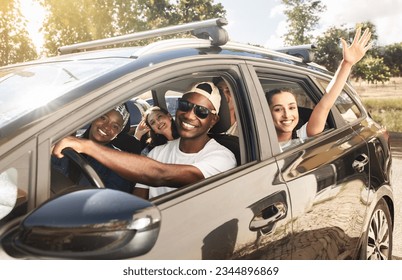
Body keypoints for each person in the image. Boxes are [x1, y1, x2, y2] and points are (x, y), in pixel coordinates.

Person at [52, 82, 237, 199]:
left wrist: (88, 147)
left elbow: (161, 175)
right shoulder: (157, 152)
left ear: (213, 120)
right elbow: (140, 197)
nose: (189, 115)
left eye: (201, 111)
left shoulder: (222, 156)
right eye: (185, 106)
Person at [266, 27, 372, 148]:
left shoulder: (302, 136)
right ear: (267, 113)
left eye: (291, 107)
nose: (287, 114)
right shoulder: (257, 143)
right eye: (278, 109)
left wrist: (346, 64)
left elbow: (325, 105)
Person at [52, 104, 136, 193]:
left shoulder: (118, 162)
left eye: (115, 126)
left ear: (117, 134)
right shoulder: (66, 143)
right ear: (93, 119)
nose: (107, 127)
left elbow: (113, 199)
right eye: (103, 118)